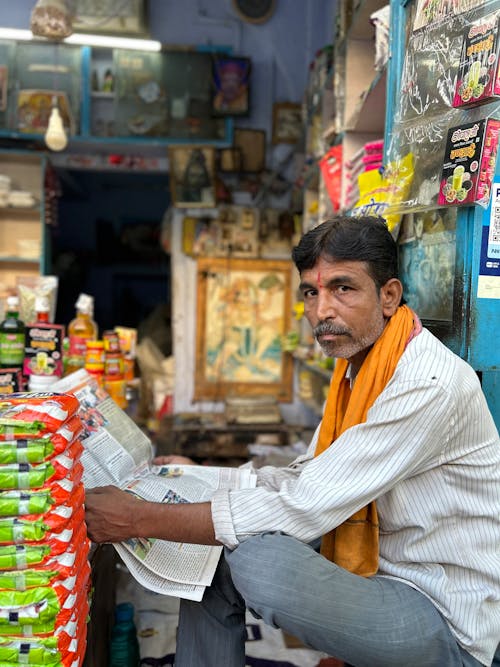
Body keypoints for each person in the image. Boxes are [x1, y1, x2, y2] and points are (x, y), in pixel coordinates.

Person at [85, 216, 500, 667]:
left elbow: (305, 504)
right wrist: (194, 474)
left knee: (257, 560)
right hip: (383, 578)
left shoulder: (426, 383)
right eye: (311, 292)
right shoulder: (360, 367)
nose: (322, 310)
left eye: (343, 288)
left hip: (442, 616)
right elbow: (308, 475)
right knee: (217, 557)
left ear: (389, 296)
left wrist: (140, 518)